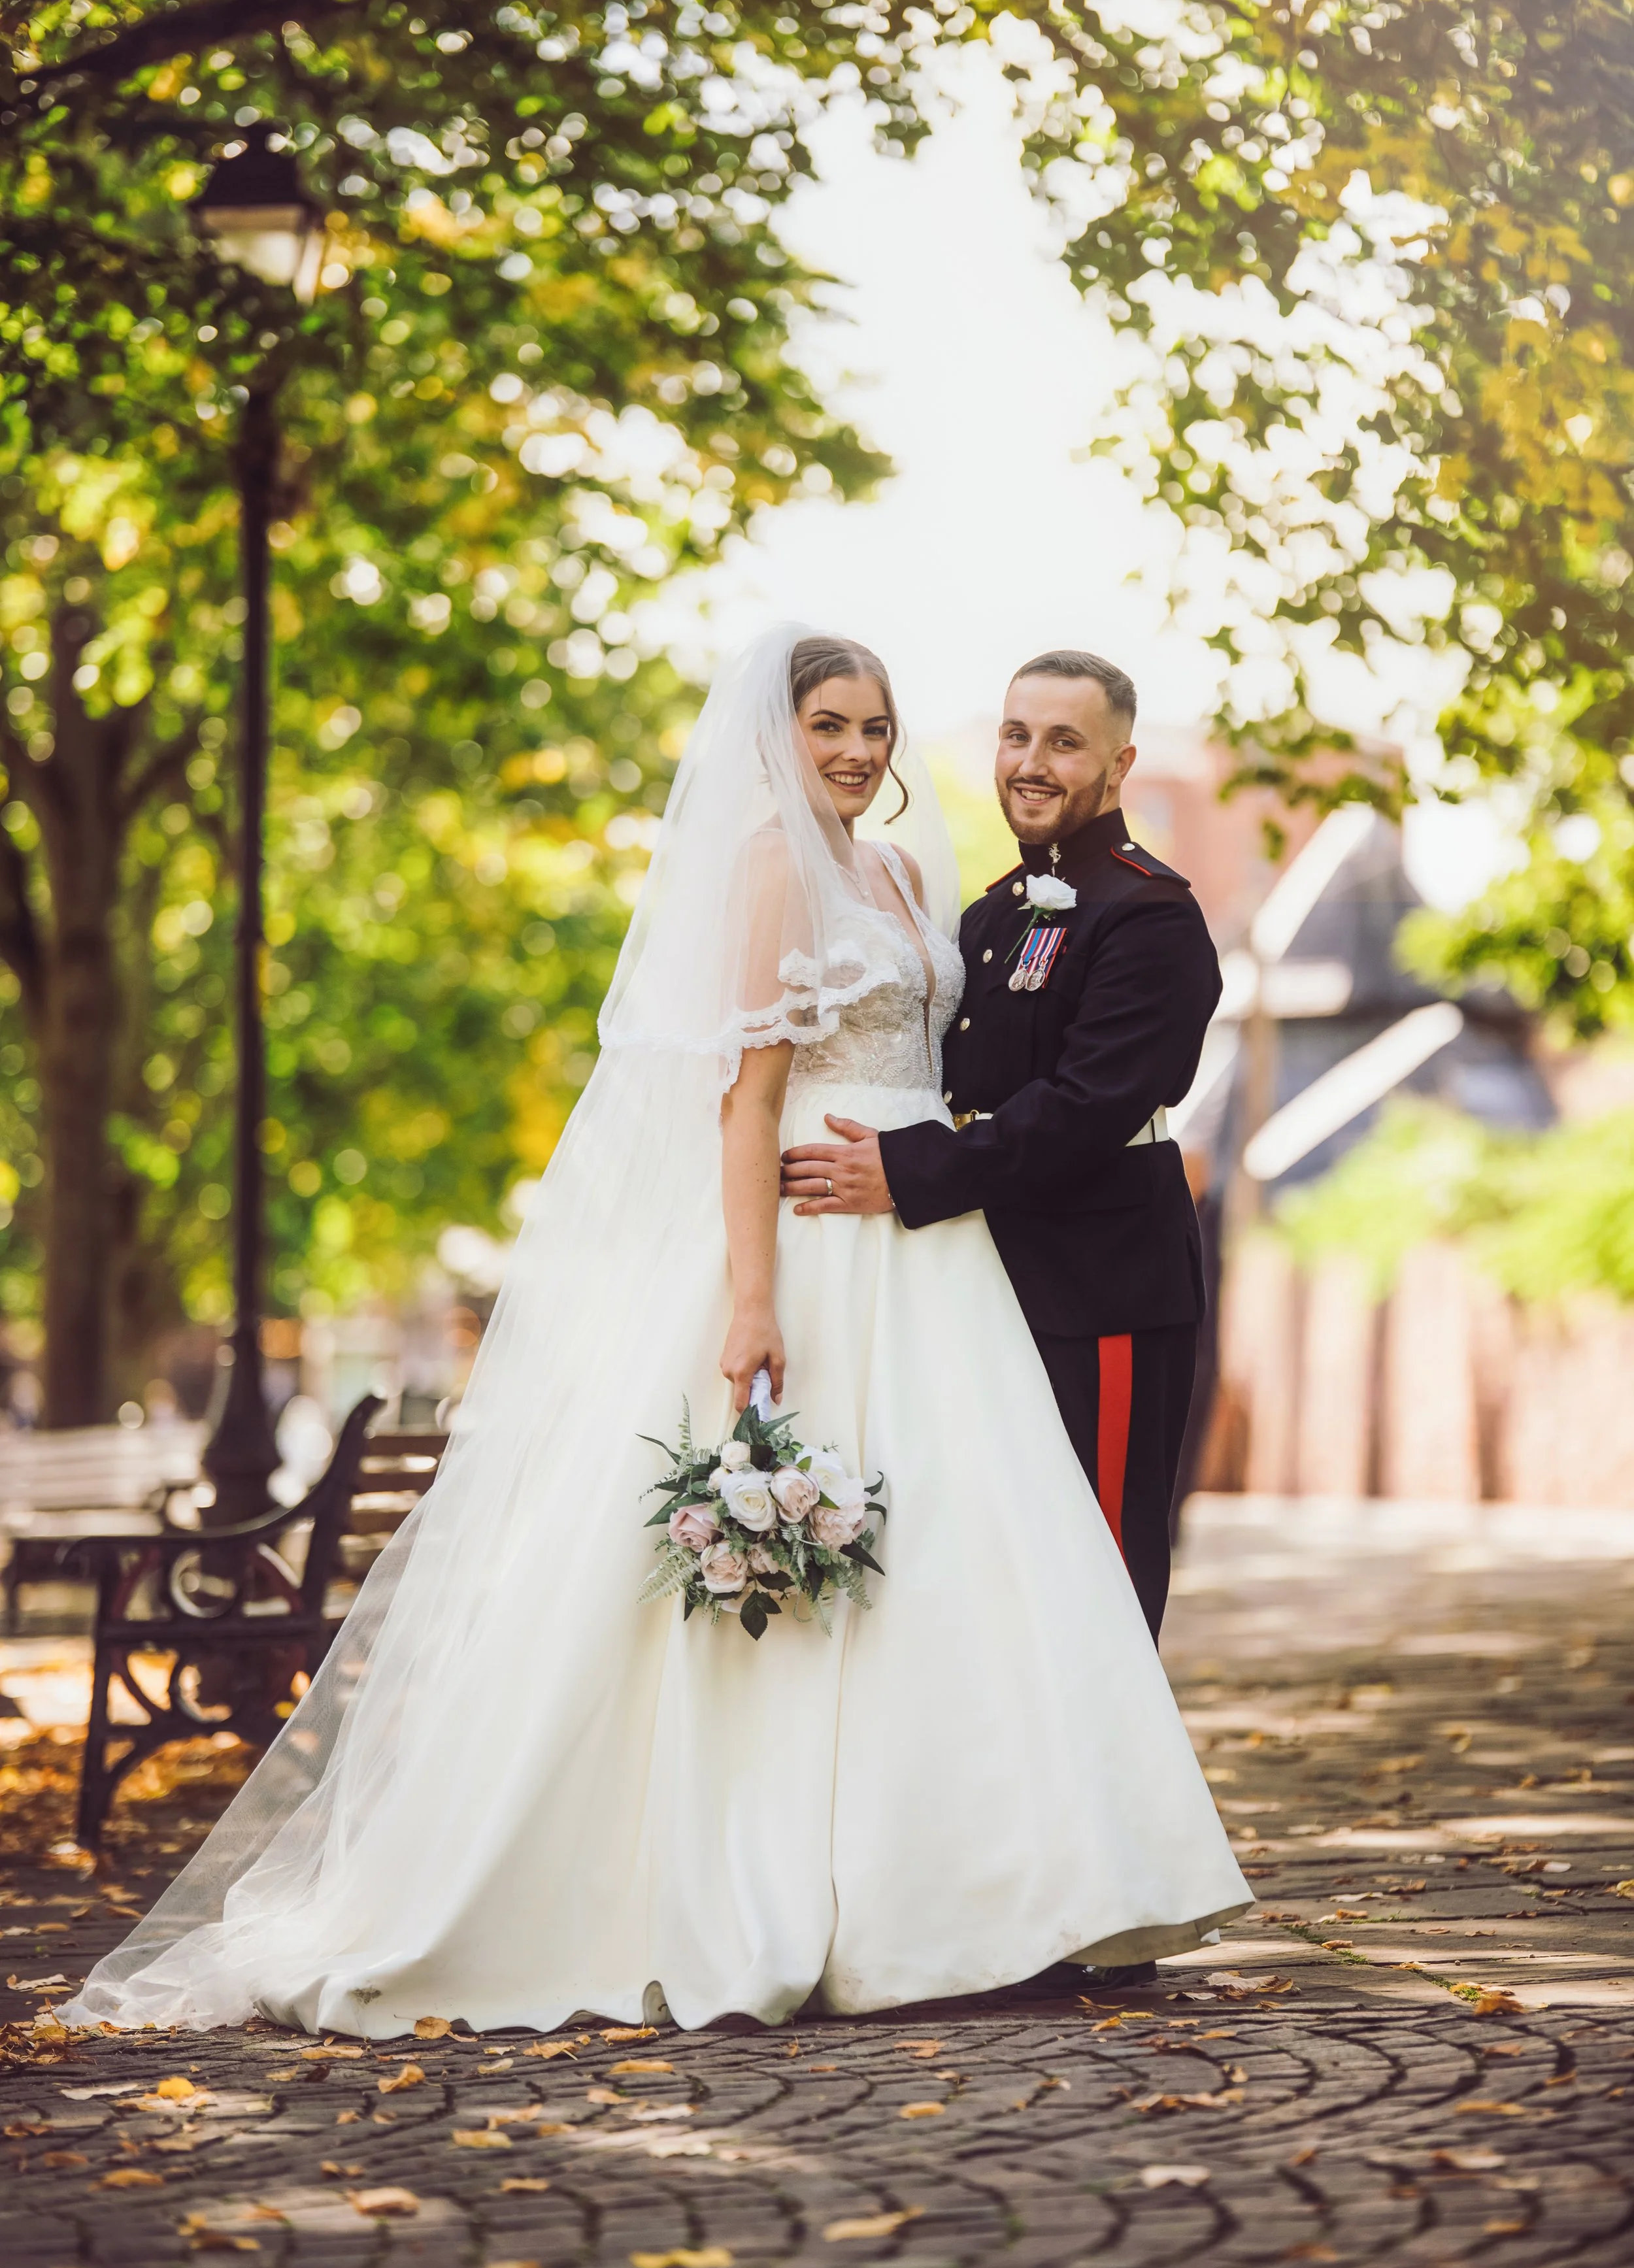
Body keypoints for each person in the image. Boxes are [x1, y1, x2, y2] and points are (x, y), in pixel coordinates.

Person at [67, 627, 1248, 2041]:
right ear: (780, 733)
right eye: (833, 725)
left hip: (968, 1260)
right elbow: (747, 1102)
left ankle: (1036, 1886)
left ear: (1116, 759)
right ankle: (821, 1879)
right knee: (910, 1568)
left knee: (1020, 1571)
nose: (863, 752)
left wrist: (917, 1175)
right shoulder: (863, 885)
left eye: (876, 727)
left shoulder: (1040, 898)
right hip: (829, 1244)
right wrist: (753, 1295)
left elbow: (1063, 1099)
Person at [782, 650, 1218, 1645]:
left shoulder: (1149, 914)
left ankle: (1110, 1797)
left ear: (1119, 765)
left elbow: (1087, 1106)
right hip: (972, 1284)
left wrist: (903, 1169)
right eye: (1016, 736)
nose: (1031, 761)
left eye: (1065, 742)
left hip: (1100, 1282)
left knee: (1097, 1564)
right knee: (998, 1570)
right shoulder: (990, 915)